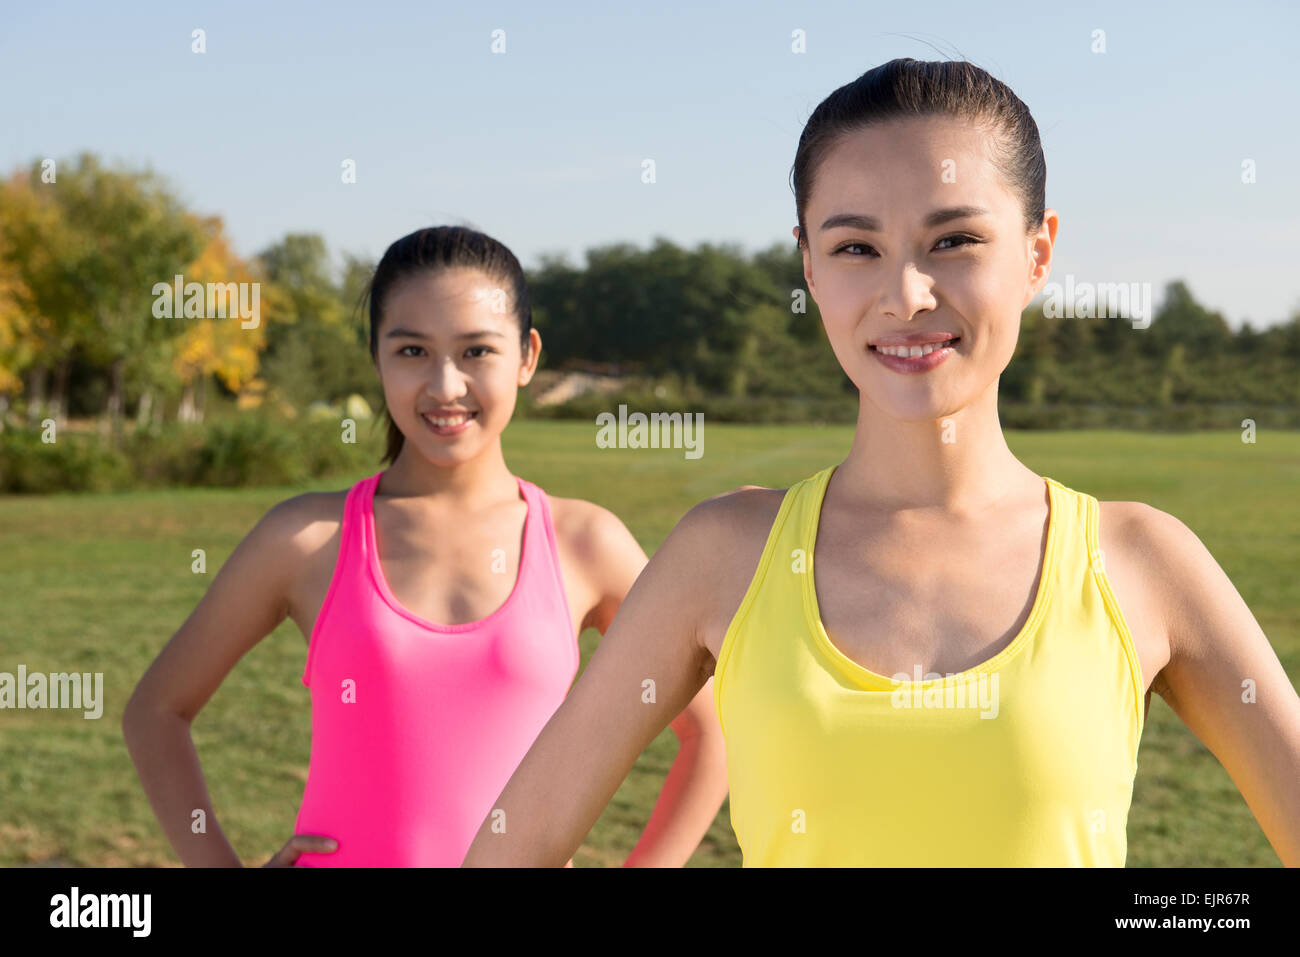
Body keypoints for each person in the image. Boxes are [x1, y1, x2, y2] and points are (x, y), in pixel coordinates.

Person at [461, 59, 1300, 867]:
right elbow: (513, 845)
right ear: (809, 267)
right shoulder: (724, 554)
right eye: (856, 247)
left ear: (1038, 254)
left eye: (955, 240)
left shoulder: (1142, 562)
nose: (906, 293)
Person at [122, 225, 729, 867]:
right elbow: (157, 711)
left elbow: (710, 735)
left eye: (476, 352)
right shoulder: (304, 539)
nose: (444, 386)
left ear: (526, 356)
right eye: (413, 350)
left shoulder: (584, 544)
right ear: (376, 356)